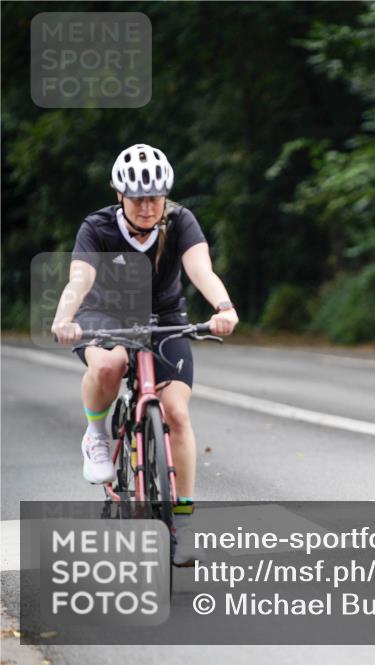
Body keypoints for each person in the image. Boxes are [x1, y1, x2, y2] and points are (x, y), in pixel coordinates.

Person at [51, 143, 239, 565]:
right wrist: (65, 318)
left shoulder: (181, 221)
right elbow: (79, 280)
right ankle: (96, 435)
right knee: (110, 364)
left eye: (154, 197)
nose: (147, 207)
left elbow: (200, 269)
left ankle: (183, 525)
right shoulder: (97, 227)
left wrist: (223, 307)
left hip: (165, 317)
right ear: (120, 195)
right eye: (137, 198)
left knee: (177, 414)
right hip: (104, 315)